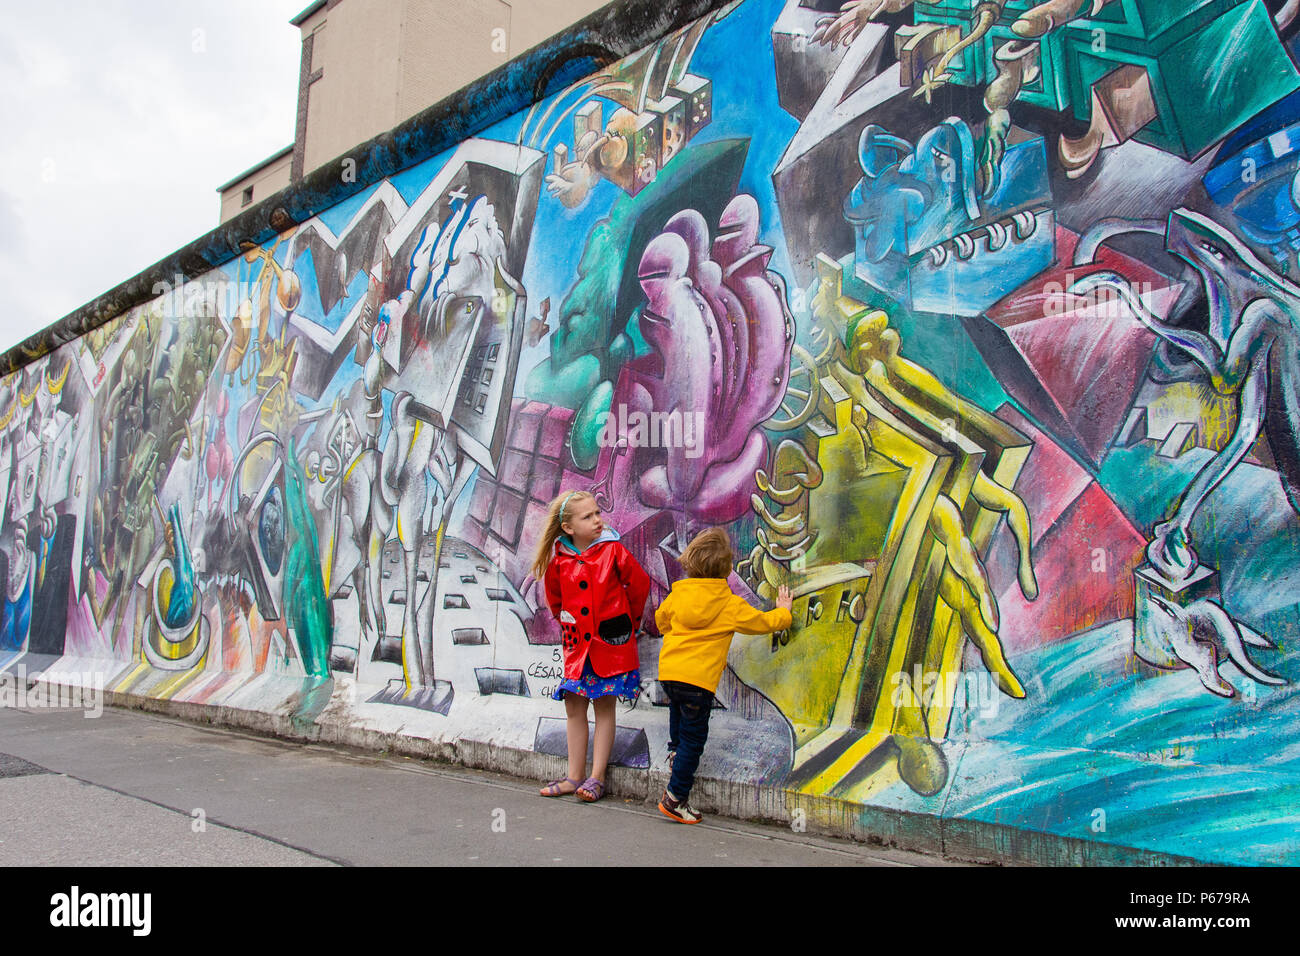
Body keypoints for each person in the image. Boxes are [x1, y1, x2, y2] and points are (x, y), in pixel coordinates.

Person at [655, 528, 792, 824]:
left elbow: (661, 619)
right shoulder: (729, 605)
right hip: (698, 681)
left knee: (677, 719)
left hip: (669, 673)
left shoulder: (679, 593)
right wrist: (784, 613)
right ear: (728, 569)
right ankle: (675, 797)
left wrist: (673, 632)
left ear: (689, 562)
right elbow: (762, 622)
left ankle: (674, 754)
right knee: (694, 739)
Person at [532, 490, 650, 802]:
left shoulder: (612, 550)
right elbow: (555, 599)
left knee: (605, 705)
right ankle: (574, 776)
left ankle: (596, 777)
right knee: (574, 707)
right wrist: (569, 624)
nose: (597, 520)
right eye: (588, 516)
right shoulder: (560, 558)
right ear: (569, 527)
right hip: (577, 648)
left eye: (598, 513)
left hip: (610, 644)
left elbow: (639, 584)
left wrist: (629, 623)